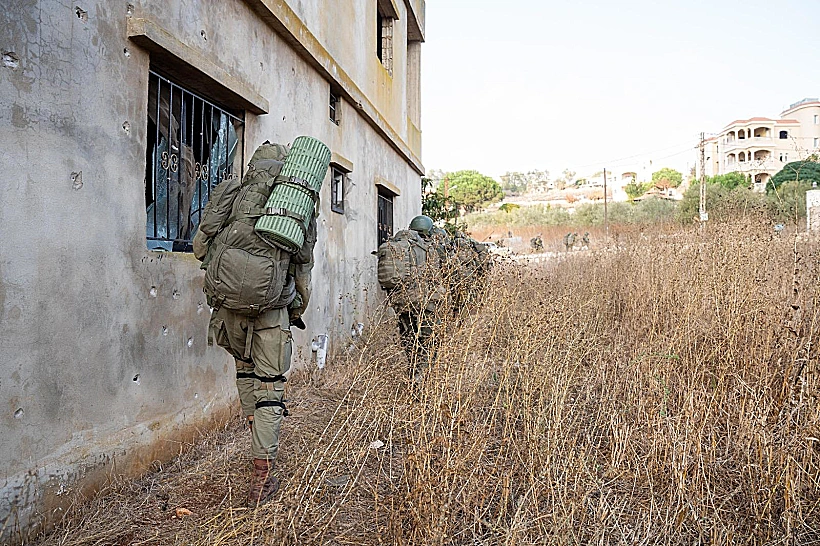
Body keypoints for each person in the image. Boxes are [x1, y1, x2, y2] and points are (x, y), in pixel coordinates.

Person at [193, 143, 317, 507]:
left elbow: (201, 248)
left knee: (245, 374)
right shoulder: (294, 209)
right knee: (270, 391)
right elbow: (303, 267)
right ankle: (261, 477)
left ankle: (253, 436)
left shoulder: (232, 193)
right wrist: (294, 308)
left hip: (229, 309)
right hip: (270, 312)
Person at [396, 215, 446, 380]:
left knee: (409, 341)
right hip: (427, 305)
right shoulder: (432, 248)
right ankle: (420, 380)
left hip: (404, 304)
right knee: (428, 342)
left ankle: (412, 370)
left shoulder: (399, 246)